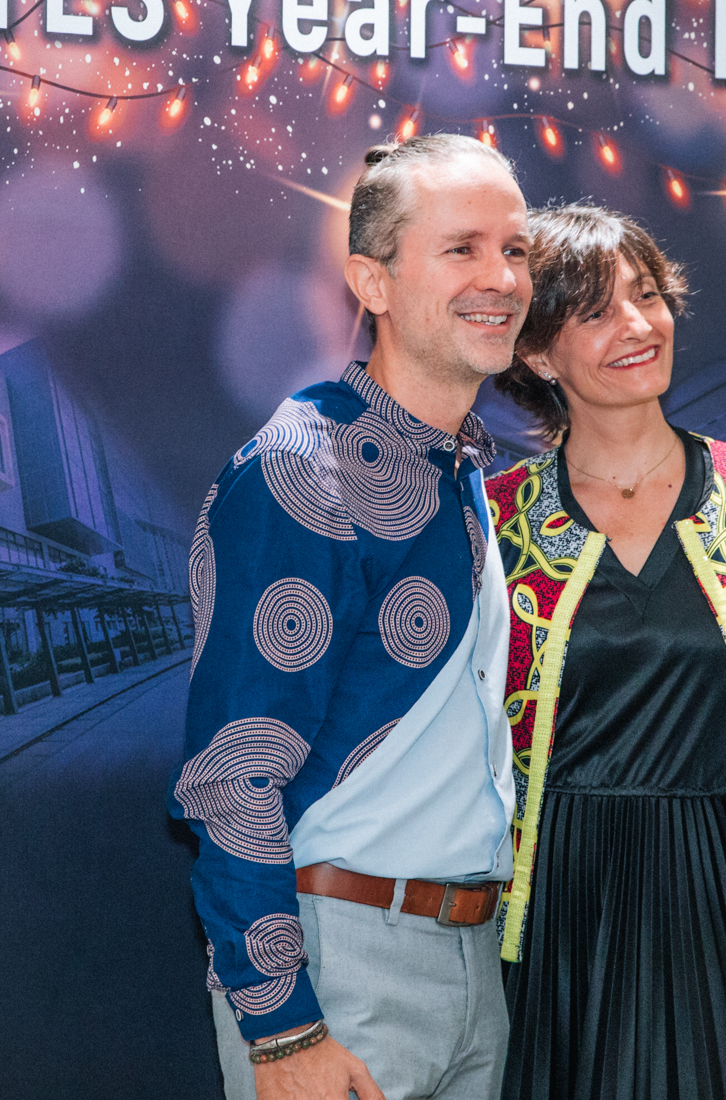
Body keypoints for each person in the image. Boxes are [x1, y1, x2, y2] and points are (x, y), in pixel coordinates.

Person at [486, 203, 726, 1100]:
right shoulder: (496, 520)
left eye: (649, 295)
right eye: (597, 311)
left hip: (722, 899)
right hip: (555, 919)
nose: (638, 324)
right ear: (539, 352)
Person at [173, 134, 532, 1100]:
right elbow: (235, 772)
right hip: (339, 975)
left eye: (515, 248)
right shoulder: (302, 470)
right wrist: (284, 1025)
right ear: (372, 281)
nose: (502, 277)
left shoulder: (463, 472)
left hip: (472, 962)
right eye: (462, 248)